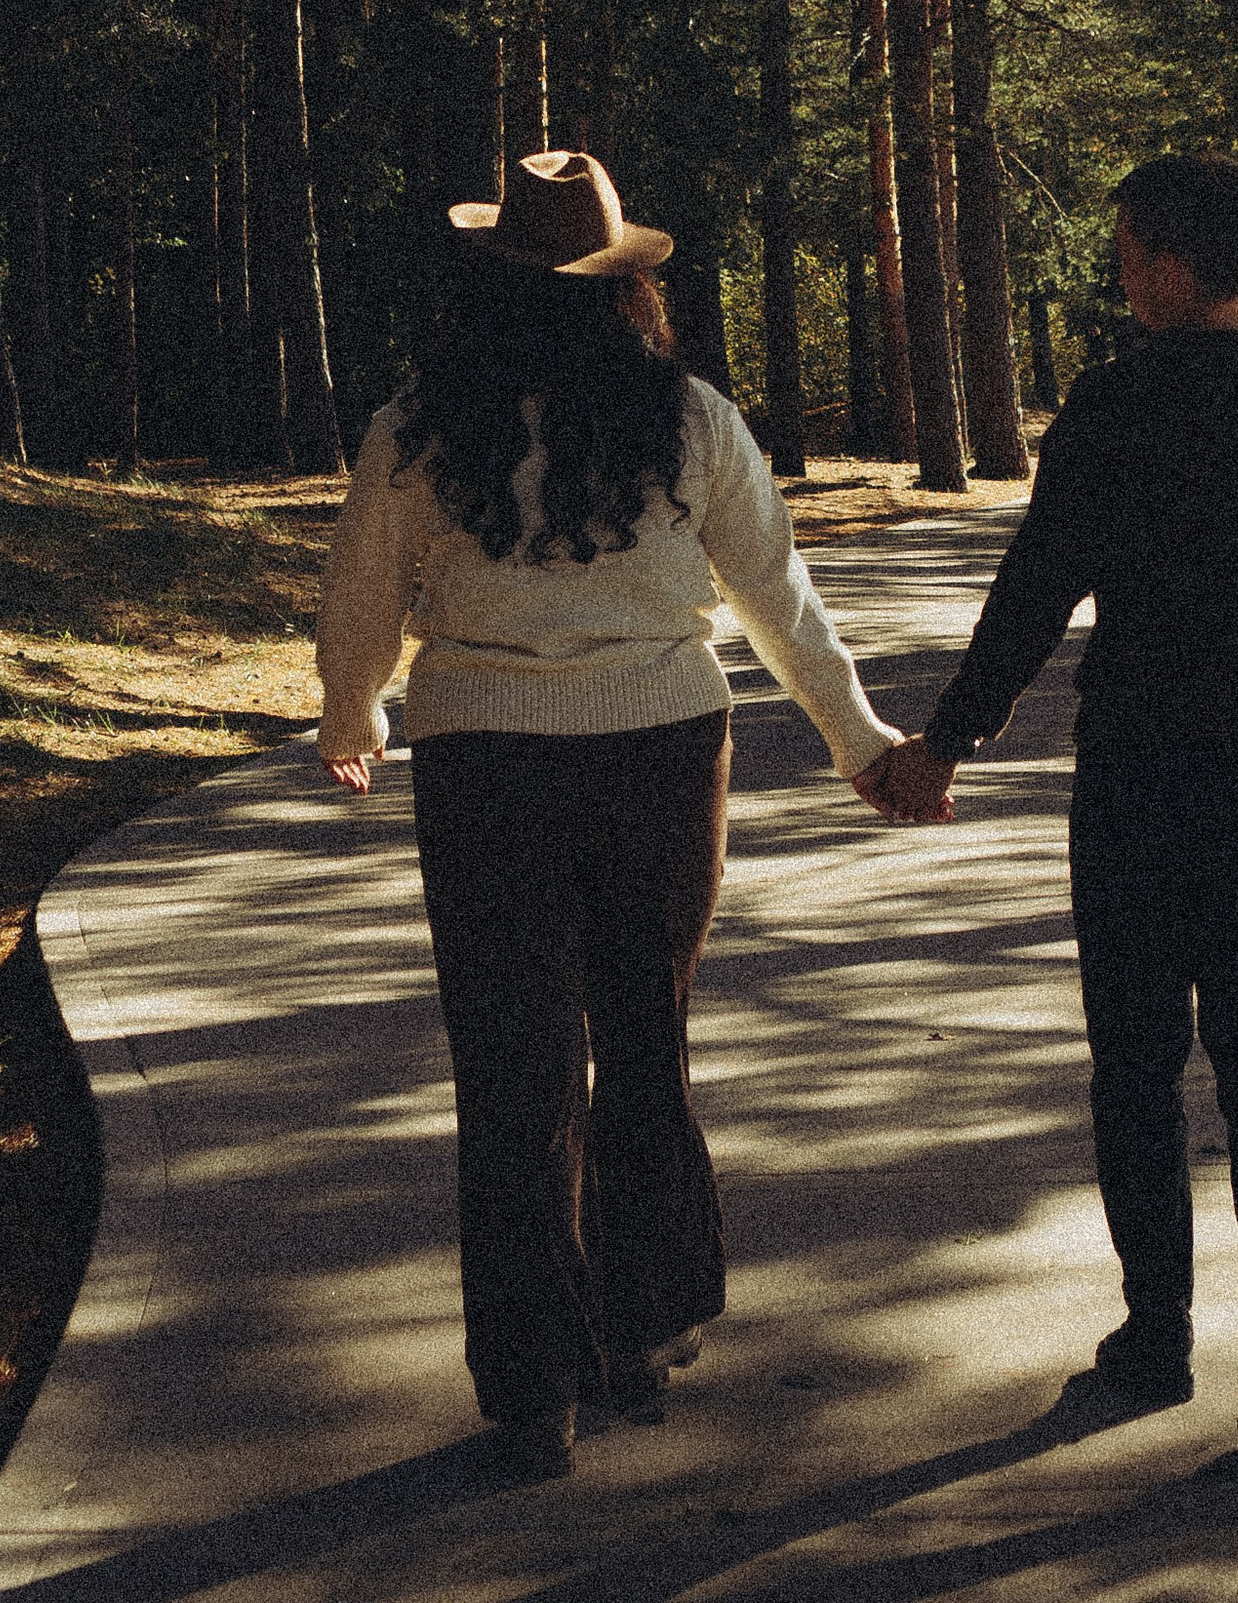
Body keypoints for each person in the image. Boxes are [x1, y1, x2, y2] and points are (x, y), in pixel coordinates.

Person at [317, 148, 911, 1481]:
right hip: (659, 753)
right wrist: (856, 740)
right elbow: (775, 593)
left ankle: (537, 1390)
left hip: (486, 767)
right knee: (643, 1035)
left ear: (489, 281)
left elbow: (362, 588)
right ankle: (639, 1332)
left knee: (515, 1070)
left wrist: (353, 716)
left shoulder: (418, 425)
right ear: (623, 287)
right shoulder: (687, 415)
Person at [869, 151, 1238, 1466]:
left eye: (1123, 252)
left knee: (1138, 1067)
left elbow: (1036, 591)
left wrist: (948, 741)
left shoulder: (1109, 412)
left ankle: (1155, 1325)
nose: (1117, 273)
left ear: (1167, 263)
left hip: (1139, 788)